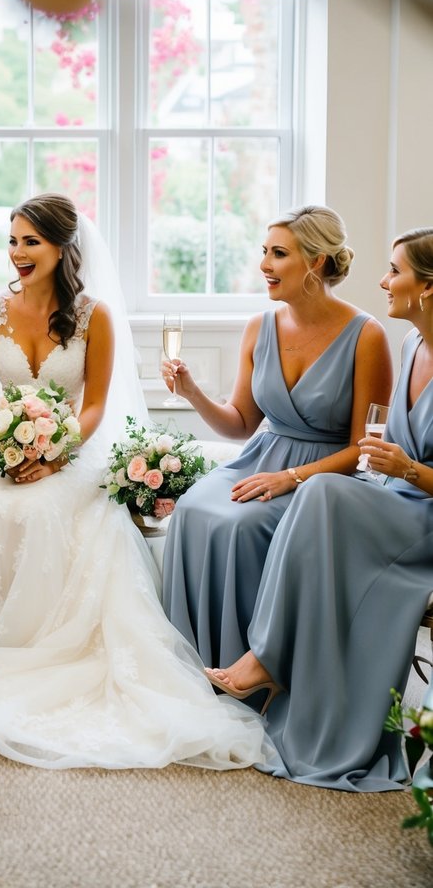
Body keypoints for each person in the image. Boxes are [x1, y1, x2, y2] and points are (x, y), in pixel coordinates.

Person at [0, 193, 269, 771]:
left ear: (62, 248)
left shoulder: (93, 315)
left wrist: (53, 450)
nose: (18, 253)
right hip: (2, 453)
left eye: (32, 242)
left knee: (54, 508)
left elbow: (96, 404)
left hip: (72, 449)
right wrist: (4, 445)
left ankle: (58, 646)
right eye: (13, 240)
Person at [206, 227, 433, 790]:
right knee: (316, 495)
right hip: (390, 499)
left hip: (422, 515)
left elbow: (395, 461)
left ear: (427, 287)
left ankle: (266, 658)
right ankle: (268, 661)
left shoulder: (376, 336)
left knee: (321, 492)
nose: (383, 280)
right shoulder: (412, 346)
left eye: (395, 271)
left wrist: (406, 469)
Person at [161, 205, 392, 675]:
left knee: (243, 526)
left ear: (317, 262)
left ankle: (252, 667)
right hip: (262, 457)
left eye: (279, 254)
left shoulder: (368, 336)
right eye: (264, 252)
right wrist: (191, 392)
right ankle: (190, 667)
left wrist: (291, 478)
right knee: (191, 509)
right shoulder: (258, 327)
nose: (264, 264)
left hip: (327, 479)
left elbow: (364, 450)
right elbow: (241, 423)